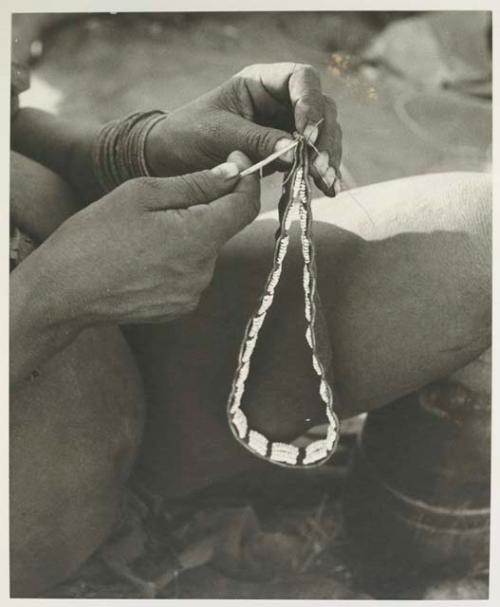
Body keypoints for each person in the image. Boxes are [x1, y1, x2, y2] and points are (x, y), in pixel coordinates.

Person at [10, 62, 491, 596]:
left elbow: (14, 128)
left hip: (135, 352)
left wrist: (139, 148)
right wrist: (47, 300)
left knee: (485, 241)